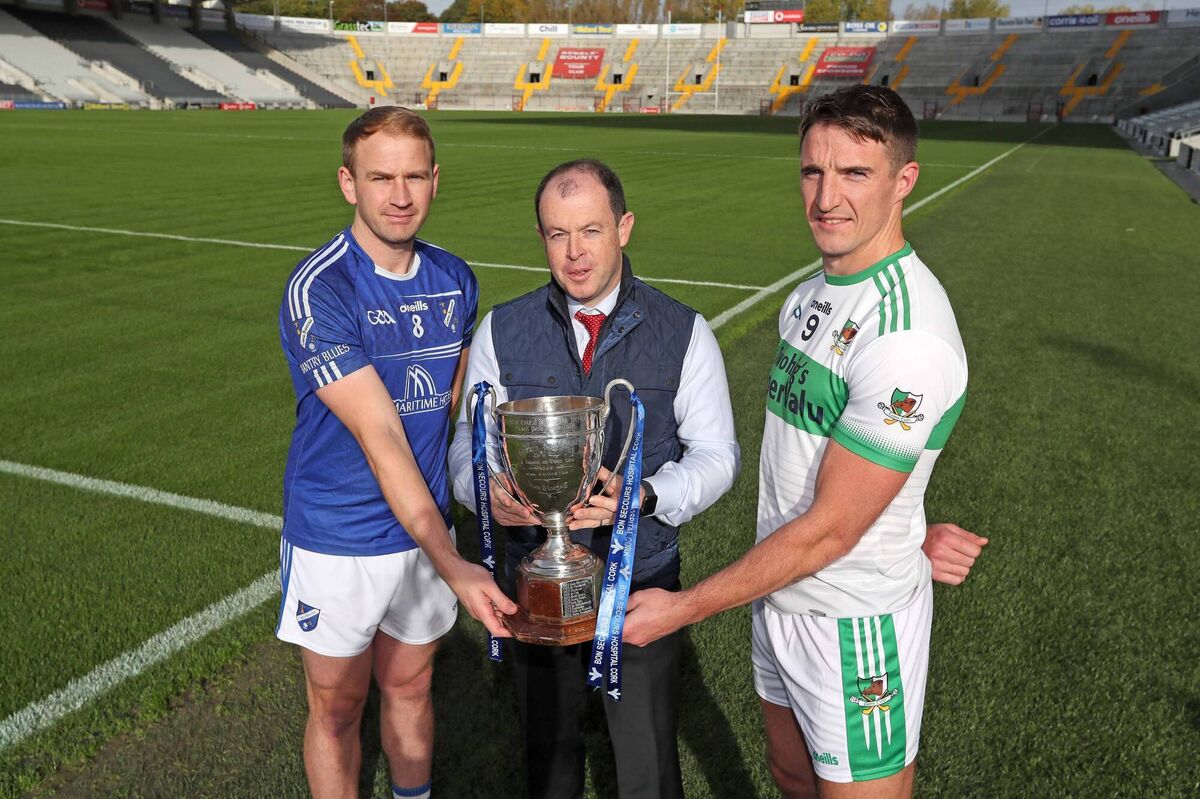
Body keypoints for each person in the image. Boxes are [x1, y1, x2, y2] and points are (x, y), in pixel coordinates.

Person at [448, 158, 985, 799]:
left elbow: (717, 456)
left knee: (647, 770)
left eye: (590, 231)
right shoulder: (502, 330)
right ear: (541, 238)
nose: (574, 253)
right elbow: (468, 447)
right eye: (557, 234)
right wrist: (487, 495)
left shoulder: (684, 331)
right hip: (532, 584)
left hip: (639, 583)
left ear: (623, 227)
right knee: (547, 762)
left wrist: (646, 495)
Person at [624, 85, 977, 798]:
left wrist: (684, 607)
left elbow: (830, 532)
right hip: (780, 598)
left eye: (854, 173)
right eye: (813, 171)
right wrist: (907, 525)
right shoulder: (812, 291)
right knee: (789, 775)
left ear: (903, 181)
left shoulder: (907, 335)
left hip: (852, 619)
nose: (826, 197)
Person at [275, 107, 515, 799]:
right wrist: (454, 561)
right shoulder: (320, 288)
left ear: (435, 180)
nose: (400, 194)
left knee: (410, 683)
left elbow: (452, 414)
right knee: (339, 706)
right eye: (381, 177)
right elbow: (382, 439)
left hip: (424, 529)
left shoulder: (456, 280)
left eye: (414, 176)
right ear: (349, 183)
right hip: (339, 535)